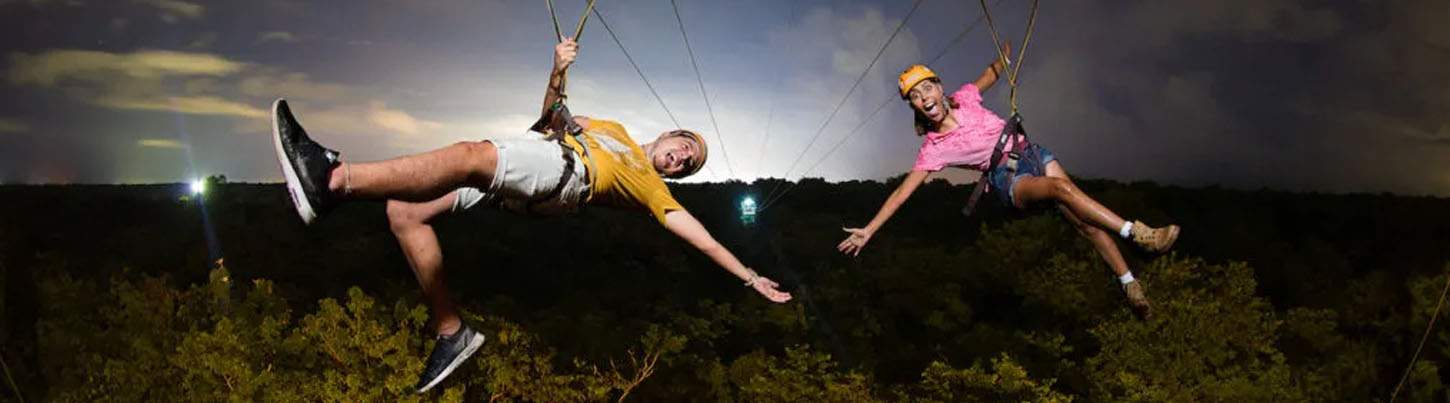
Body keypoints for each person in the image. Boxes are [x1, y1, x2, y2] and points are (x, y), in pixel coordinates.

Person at [270, 38, 792, 393]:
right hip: (542, 161)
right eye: (684, 148)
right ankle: (451, 330)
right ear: (672, 133)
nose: (680, 160)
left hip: (565, 175)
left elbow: (697, 236)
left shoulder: (651, 186)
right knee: (405, 211)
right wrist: (558, 69)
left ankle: (332, 179)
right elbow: (546, 120)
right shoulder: (609, 125)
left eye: (688, 166)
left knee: (474, 153)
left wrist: (749, 277)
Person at [837, 43, 1179, 320]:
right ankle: (1139, 234)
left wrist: (1003, 58)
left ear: (940, 88)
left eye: (927, 88)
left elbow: (990, 74)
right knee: (1062, 190)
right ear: (913, 106)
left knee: (1086, 222)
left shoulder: (966, 98)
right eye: (916, 96)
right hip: (1009, 178)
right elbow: (901, 193)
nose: (924, 97)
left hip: (1032, 151)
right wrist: (870, 229)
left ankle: (1130, 285)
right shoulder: (934, 149)